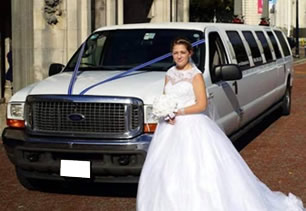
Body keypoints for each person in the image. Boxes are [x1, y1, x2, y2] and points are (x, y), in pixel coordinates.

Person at [136, 38, 305, 211]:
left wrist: (178, 112)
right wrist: (166, 111)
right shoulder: (169, 73)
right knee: (166, 170)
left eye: (182, 52)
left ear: (190, 53)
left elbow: (202, 104)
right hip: (169, 128)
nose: (178, 56)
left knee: (197, 167)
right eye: (175, 53)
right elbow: (166, 97)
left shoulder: (195, 75)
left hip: (192, 125)